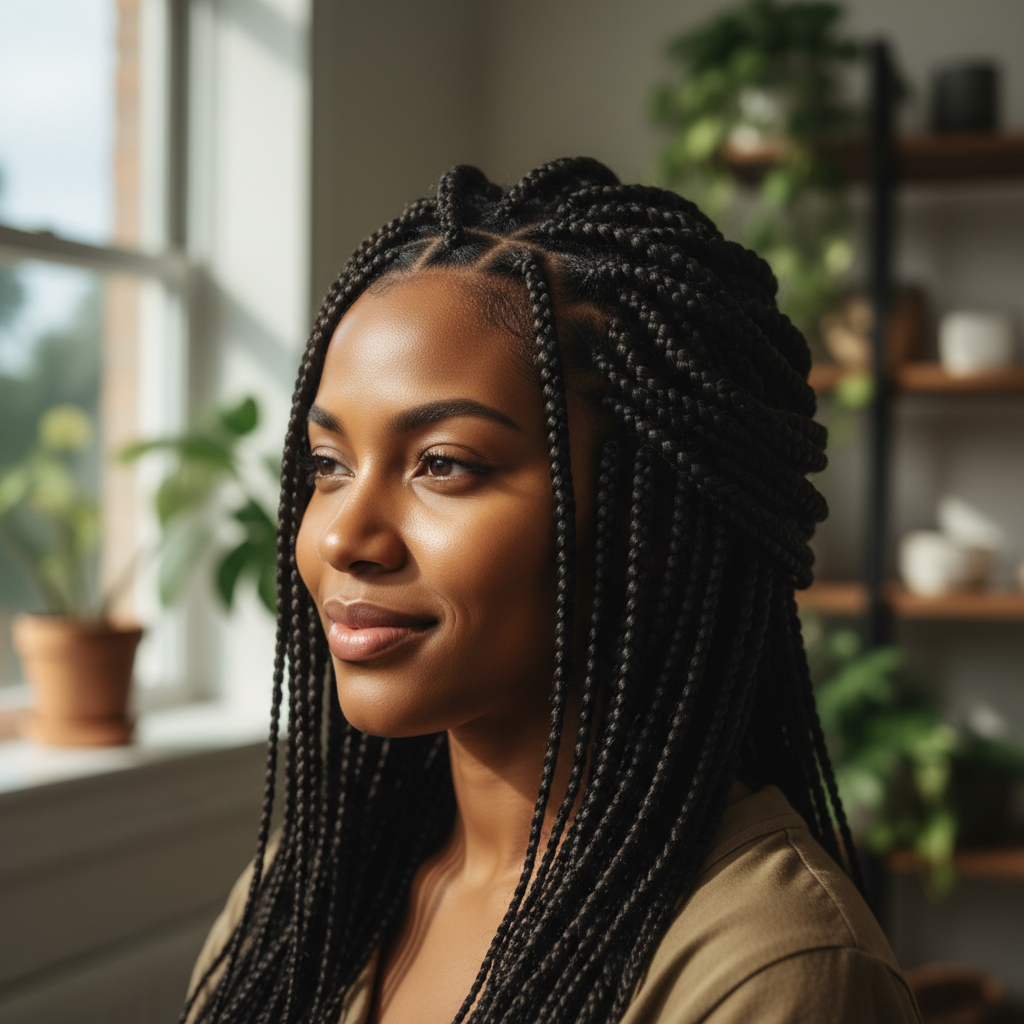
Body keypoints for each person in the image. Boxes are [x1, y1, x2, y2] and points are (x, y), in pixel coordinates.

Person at [184, 158, 920, 1024]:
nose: (344, 537)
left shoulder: (773, 969)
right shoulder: (302, 893)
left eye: (443, 464)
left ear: (646, 520)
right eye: (329, 464)